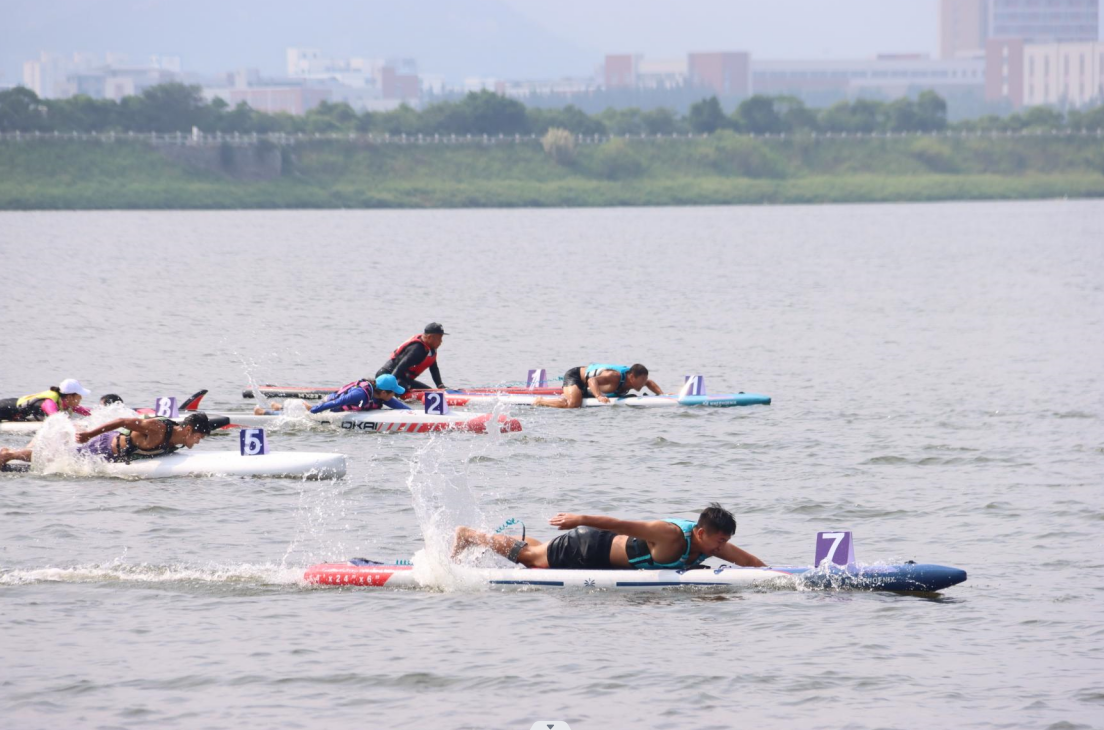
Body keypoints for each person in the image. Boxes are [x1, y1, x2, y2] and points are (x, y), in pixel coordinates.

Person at [452, 503, 765, 570]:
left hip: (596, 549)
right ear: (700, 532)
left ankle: (531, 543)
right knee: (532, 560)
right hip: (587, 547)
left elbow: (749, 562)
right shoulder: (669, 534)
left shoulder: (711, 544)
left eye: (725, 541)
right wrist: (581, 518)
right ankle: (470, 535)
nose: (723, 547)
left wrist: (785, 580)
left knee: (541, 551)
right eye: (720, 541)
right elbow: (622, 524)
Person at [0, 412, 226, 468]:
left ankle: (18, 450)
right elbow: (121, 421)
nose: (198, 441)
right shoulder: (157, 428)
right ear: (187, 430)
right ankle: (8, 455)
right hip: (103, 447)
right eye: (199, 436)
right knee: (52, 459)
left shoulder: (178, 439)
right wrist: (89, 435)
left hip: (117, 456)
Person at [255, 374, 411, 415]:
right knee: (302, 414)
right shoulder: (359, 394)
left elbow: (399, 406)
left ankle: (278, 406)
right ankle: (263, 412)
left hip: (335, 405)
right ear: (384, 392)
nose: (394, 397)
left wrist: (414, 414)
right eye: (393, 393)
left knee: (304, 411)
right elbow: (334, 403)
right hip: (330, 405)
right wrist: (313, 411)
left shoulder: (381, 395)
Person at [534, 364, 663, 409]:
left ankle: (565, 397)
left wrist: (662, 395)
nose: (644, 383)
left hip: (588, 387)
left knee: (572, 401)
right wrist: (599, 396)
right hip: (576, 377)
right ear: (632, 377)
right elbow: (592, 380)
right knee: (573, 404)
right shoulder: (614, 376)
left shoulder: (635, 379)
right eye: (642, 380)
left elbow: (650, 383)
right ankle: (541, 401)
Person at [376, 322, 448, 392]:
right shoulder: (417, 350)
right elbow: (400, 367)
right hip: (387, 375)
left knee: (429, 391)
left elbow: (434, 369)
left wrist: (440, 385)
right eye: (439, 338)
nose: (441, 341)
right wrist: (388, 386)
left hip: (402, 378)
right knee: (404, 387)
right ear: (429, 337)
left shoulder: (430, 349)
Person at [0, 379, 93, 422]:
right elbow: (55, 418)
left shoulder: (66, 402)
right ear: (69, 397)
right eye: (79, 395)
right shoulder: (49, 402)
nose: (81, 398)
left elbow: (87, 411)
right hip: (4, 408)